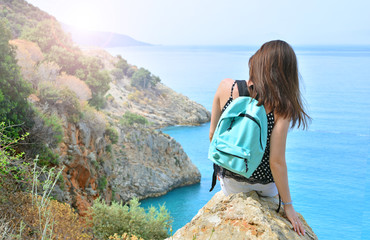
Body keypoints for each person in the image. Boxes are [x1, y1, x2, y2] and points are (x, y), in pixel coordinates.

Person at [209, 40, 310, 236]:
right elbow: (276, 162)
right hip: (264, 187)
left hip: (231, 183)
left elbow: (213, 135)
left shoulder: (227, 88)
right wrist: (288, 206)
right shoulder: (281, 107)